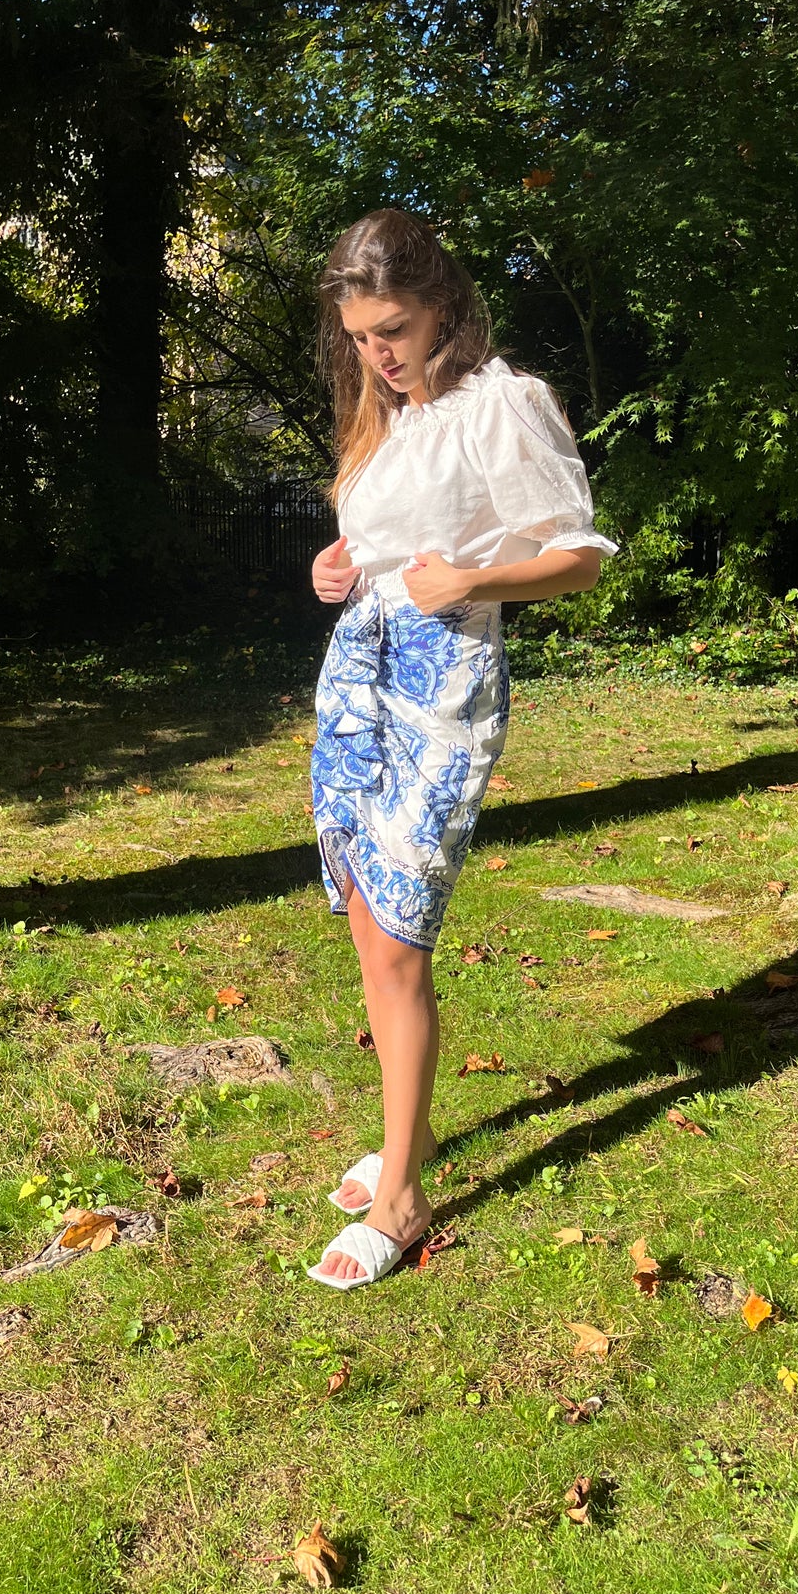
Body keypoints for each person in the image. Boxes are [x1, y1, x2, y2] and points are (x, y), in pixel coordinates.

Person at [306, 208, 618, 1290]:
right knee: (363, 912)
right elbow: (383, 541)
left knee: (400, 930)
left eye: (390, 327)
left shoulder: (505, 405)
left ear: (444, 303)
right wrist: (338, 566)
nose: (375, 353)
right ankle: (413, 1135)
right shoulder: (387, 414)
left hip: (441, 686)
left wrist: (473, 579)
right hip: (358, 676)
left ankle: (399, 1192)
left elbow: (576, 558)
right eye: (357, 335)